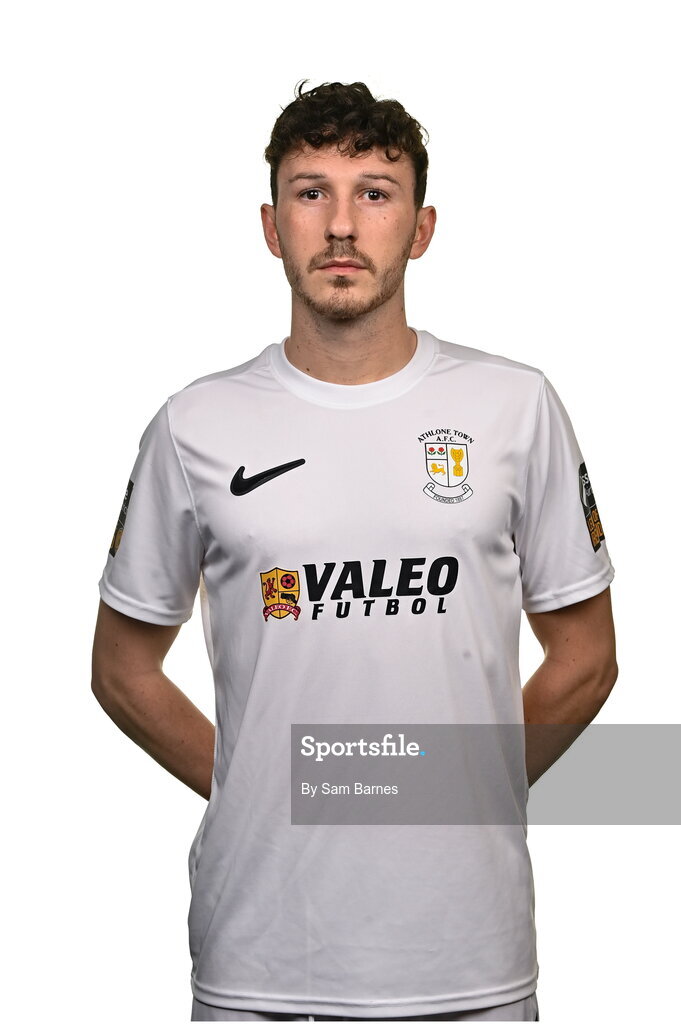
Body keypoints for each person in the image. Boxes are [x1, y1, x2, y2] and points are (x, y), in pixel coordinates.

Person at [91, 81, 618, 1023]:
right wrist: (265, 783)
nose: (341, 224)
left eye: (374, 192)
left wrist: (443, 782)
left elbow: (584, 658)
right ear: (269, 224)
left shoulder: (514, 406)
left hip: (469, 958)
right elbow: (122, 670)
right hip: (262, 960)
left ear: (419, 228)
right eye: (310, 192)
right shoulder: (194, 425)